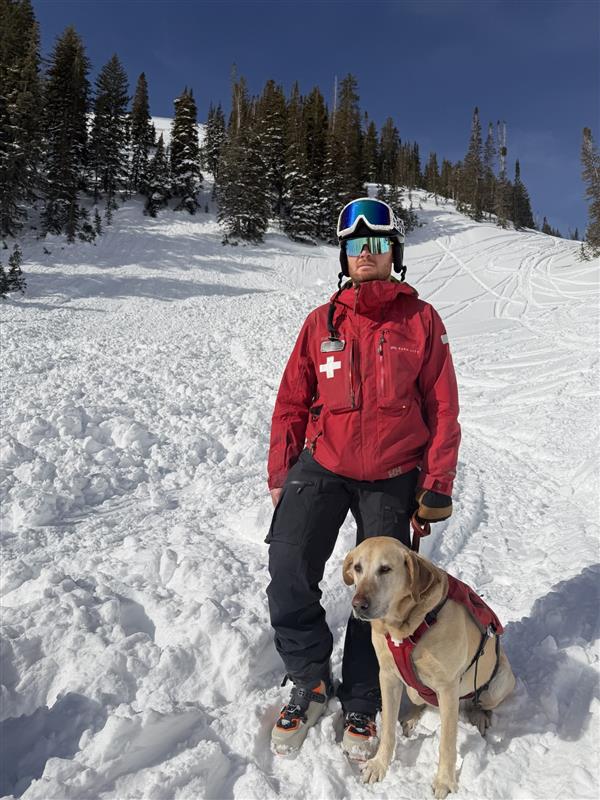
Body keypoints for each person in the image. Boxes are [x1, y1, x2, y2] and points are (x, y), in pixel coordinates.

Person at [265, 197, 461, 758]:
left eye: (377, 245)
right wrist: (282, 472)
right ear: (345, 257)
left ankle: (363, 693)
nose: (366, 254)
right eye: (356, 246)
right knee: (287, 562)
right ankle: (310, 677)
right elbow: (290, 403)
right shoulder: (319, 324)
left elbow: (443, 405)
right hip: (323, 463)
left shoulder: (420, 320)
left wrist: (437, 480)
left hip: (393, 472)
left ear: (392, 255)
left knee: (381, 585)